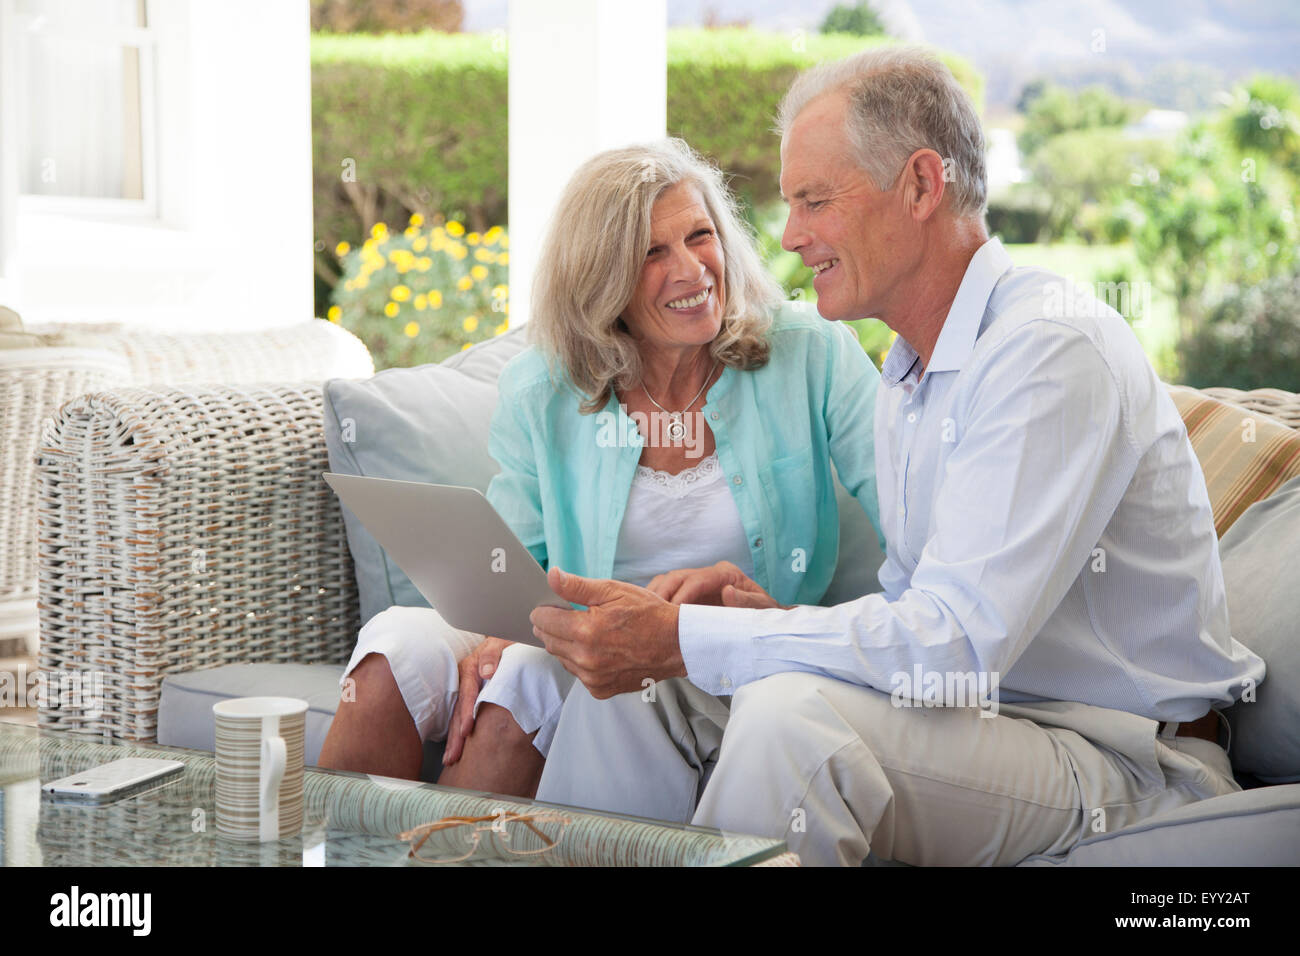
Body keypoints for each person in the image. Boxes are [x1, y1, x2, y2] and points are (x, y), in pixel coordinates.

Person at [527, 47, 1266, 866]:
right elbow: (912, 617)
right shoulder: (909, 375)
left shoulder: (1048, 350)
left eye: (814, 201)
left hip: (1120, 756)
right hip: (981, 728)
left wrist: (692, 635)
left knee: (789, 721)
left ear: (920, 185)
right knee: (638, 687)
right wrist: (763, 625)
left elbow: (954, 645)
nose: (789, 236)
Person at [317, 138, 884, 795]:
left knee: (526, 674)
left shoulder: (809, 356)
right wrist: (498, 634)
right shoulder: (546, 386)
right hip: (570, 625)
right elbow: (520, 560)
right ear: (601, 278)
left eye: (700, 237)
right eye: (651, 254)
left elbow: (913, 516)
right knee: (394, 648)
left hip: (710, 644)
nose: (691, 271)